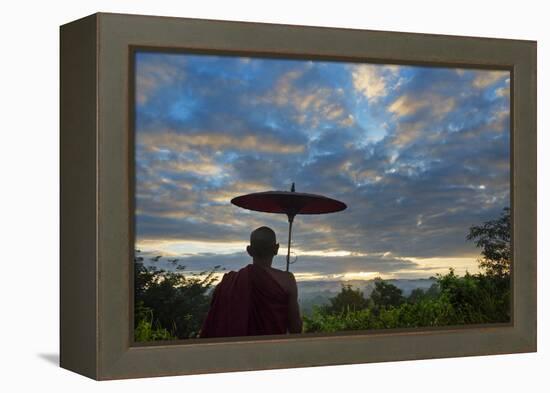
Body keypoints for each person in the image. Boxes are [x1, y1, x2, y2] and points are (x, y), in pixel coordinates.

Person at [200, 226, 302, 338]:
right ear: (276, 248)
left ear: (249, 250)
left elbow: (215, 324)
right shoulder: (287, 280)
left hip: (237, 350)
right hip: (273, 350)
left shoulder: (228, 283)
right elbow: (295, 329)